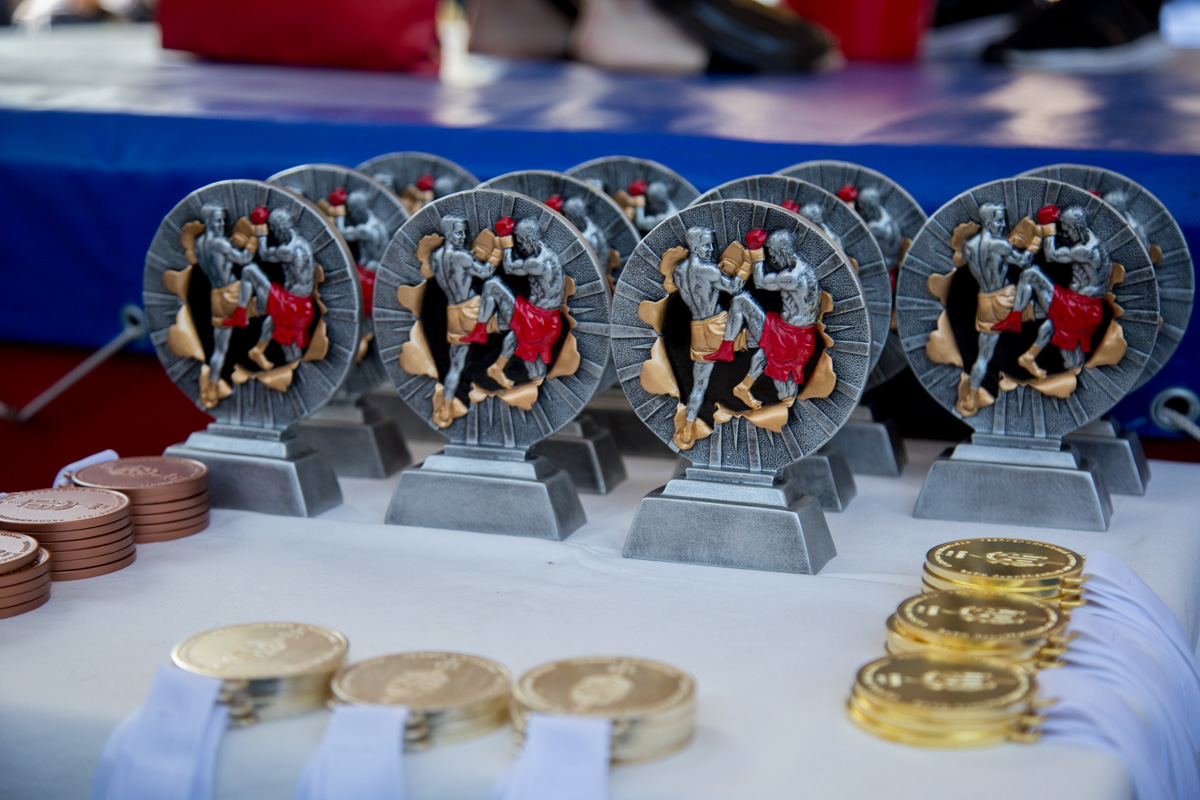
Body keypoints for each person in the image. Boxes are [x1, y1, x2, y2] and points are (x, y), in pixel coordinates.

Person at [708, 229, 822, 409]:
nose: (773, 261)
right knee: (763, 351)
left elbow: (760, 282)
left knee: (786, 394)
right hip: (796, 333)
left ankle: (787, 418)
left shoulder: (791, 277)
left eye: (774, 255)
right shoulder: (807, 270)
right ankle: (741, 383)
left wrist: (756, 252)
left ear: (783, 252)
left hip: (789, 338)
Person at [993, 206, 1111, 377]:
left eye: (1067, 230)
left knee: (1073, 363)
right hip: (1081, 305)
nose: (1066, 235)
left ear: (1076, 228)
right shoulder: (1094, 241)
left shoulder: (1085, 251)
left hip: (1078, 311)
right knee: (1050, 325)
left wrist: (1048, 226)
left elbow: (1051, 255)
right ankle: (1028, 355)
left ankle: (1016, 318)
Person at [463, 217, 568, 388]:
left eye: (520, 241)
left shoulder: (536, 263)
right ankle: (497, 368)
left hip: (536, 320)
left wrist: (506, 241)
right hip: (550, 320)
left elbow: (510, 267)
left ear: (529, 239)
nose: (521, 246)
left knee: (492, 285)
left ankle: (480, 330)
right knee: (515, 339)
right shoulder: (552, 256)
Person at [225, 206, 318, 371]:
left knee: (249, 270)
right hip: (304, 305)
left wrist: (261, 228)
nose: (274, 234)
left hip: (291, 304)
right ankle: (258, 350)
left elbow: (264, 254)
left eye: (274, 230)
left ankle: (240, 313)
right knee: (275, 326)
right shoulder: (303, 244)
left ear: (279, 228)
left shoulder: (288, 250)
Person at [425, 215, 497, 425]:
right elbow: (486, 272)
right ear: (448, 234)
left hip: (453, 312)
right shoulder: (461, 257)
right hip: (471, 309)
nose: (463, 237)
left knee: (456, 365)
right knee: (510, 316)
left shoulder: (435, 257)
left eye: (464, 232)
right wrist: (499, 250)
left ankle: (445, 407)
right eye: (458, 233)